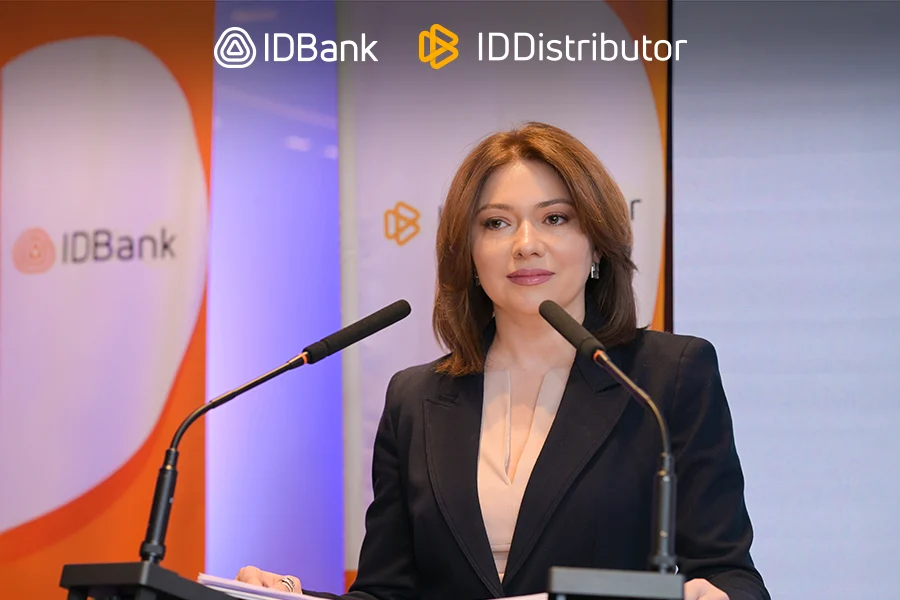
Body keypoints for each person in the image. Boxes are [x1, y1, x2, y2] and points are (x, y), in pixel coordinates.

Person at [236, 122, 770, 600]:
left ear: (597, 245)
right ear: (468, 253)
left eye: (555, 218)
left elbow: (729, 573)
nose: (525, 244)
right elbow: (387, 591)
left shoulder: (667, 378)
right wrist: (290, 598)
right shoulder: (414, 399)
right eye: (496, 223)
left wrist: (717, 597)